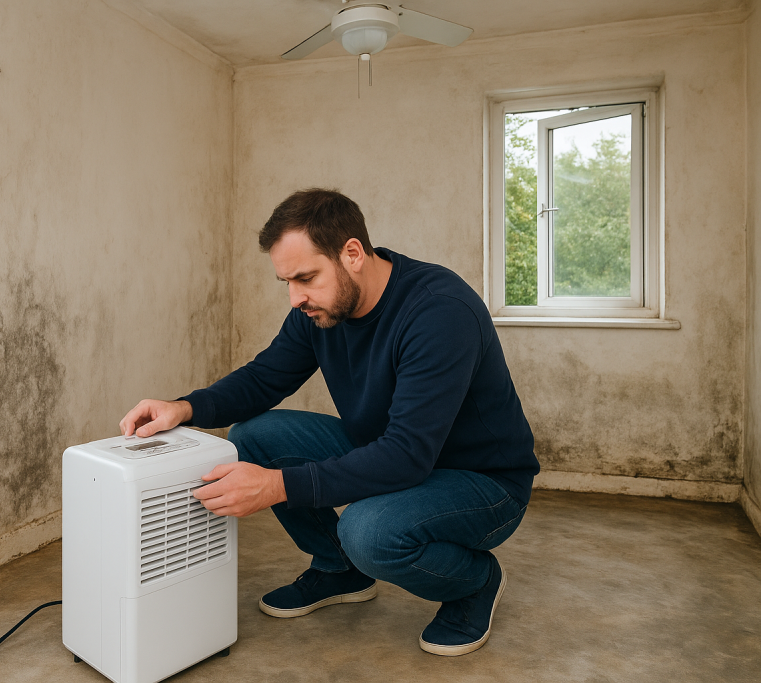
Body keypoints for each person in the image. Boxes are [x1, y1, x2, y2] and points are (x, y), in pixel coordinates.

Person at [119, 188, 539, 656]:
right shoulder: (320, 308)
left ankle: (475, 582)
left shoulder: (440, 312)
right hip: (388, 450)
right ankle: (340, 570)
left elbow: (406, 457)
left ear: (352, 253)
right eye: (287, 282)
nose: (296, 297)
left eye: (306, 277)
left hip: (481, 482)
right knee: (254, 438)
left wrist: (277, 486)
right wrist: (185, 407)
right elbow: (264, 378)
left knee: (368, 532)